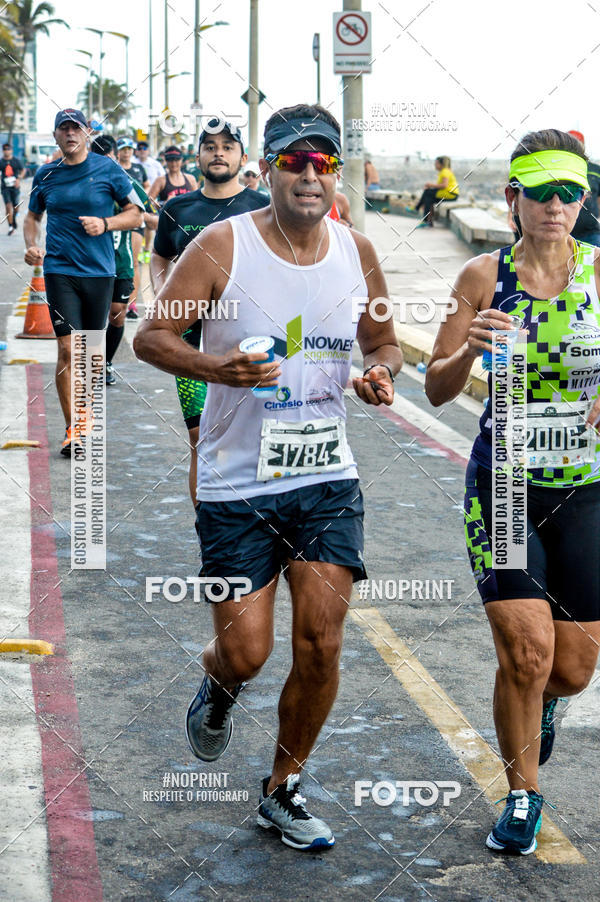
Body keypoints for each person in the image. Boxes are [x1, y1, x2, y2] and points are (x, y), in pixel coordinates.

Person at [135, 102, 402, 851]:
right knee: (248, 651)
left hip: (325, 478)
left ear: (336, 174)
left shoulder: (360, 252)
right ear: (269, 168)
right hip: (236, 482)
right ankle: (218, 689)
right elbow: (150, 339)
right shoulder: (223, 248)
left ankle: (283, 787)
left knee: (321, 642)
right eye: (294, 161)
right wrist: (214, 365)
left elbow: (383, 346)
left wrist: (379, 375)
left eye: (323, 163)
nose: (309, 175)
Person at [425, 128, 600, 855]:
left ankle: (548, 710)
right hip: (504, 482)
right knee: (525, 655)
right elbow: (434, 387)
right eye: (540, 192)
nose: (555, 205)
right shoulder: (480, 277)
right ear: (513, 198)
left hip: (587, 487)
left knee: (571, 668)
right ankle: (523, 795)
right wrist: (469, 347)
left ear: (583, 197)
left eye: (569, 191)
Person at [149, 118, 270, 505]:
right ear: (197, 156)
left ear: (242, 157)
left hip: (251, 331)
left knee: (258, 431)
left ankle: (260, 525)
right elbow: (159, 257)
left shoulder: (263, 206)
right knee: (201, 436)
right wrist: (163, 296)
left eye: (228, 146)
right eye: (210, 146)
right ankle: (211, 532)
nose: (219, 152)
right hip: (191, 337)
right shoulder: (177, 208)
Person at [23, 109, 143, 455]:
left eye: (77, 128)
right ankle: (73, 430)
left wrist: (106, 224)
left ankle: (86, 417)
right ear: (56, 135)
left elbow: (134, 214)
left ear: (87, 133)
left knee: (90, 352)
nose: (71, 134)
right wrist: (32, 244)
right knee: (66, 348)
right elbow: (32, 217)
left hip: (99, 272)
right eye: (64, 128)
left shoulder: (109, 170)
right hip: (60, 271)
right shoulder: (46, 174)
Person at [90, 135, 139, 385]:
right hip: (93, 261)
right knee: (94, 317)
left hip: (121, 261)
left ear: (115, 156)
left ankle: (106, 362)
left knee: (117, 314)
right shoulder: (86, 184)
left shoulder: (125, 183)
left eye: (107, 156)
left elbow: (144, 216)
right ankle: (91, 363)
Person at [117, 137, 150, 319]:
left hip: (137, 220)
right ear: (118, 151)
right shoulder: (113, 169)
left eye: (130, 148)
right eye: (123, 149)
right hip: (117, 220)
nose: (127, 152)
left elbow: (146, 189)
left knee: (134, 262)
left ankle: (131, 304)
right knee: (114, 261)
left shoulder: (138, 169)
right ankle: (113, 300)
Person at [568, 130, 600, 247]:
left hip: (591, 233)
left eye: (577, 142)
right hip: (564, 234)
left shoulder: (596, 170)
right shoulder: (560, 169)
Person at [135, 140, 165, 263]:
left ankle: (147, 250)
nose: (142, 151)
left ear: (148, 151)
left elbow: (163, 178)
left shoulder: (155, 164)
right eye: (140, 149)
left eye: (145, 149)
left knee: (149, 224)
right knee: (136, 222)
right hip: (134, 199)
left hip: (152, 199)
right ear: (137, 151)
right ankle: (137, 251)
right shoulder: (132, 163)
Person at [415, 156, 459, 227]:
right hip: (447, 193)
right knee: (428, 198)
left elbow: (444, 185)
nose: (434, 165)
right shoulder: (445, 171)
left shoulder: (445, 171)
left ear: (441, 164)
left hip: (450, 194)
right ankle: (427, 221)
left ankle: (417, 209)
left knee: (427, 192)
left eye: (436, 163)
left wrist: (430, 185)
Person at [0, 142, 25, 235]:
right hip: (5, 187)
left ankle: (13, 218)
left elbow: (23, 170)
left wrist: (19, 178)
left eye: (8, 149)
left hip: (15, 187)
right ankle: (11, 226)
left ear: (11, 150)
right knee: (8, 205)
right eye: (5, 149)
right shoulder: (1, 161)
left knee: (16, 206)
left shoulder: (16, 161)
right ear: (3, 151)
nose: (7, 151)